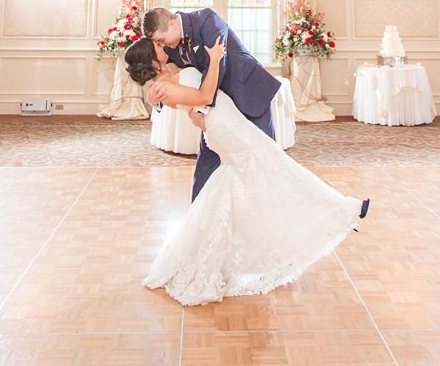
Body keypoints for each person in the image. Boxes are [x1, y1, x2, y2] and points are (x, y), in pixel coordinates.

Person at [124, 36, 368, 306]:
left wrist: (187, 109)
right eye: (157, 47)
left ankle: (224, 252)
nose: (163, 47)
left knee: (237, 180)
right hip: (225, 127)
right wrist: (215, 59)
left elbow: (193, 108)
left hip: (224, 123)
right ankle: (340, 210)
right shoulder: (162, 87)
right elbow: (204, 96)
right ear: (151, 59)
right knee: (276, 164)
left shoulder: (167, 75)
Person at [142, 6, 280, 200]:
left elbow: (216, 65)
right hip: (217, 109)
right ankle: (199, 217)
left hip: (248, 93)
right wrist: (154, 100)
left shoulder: (208, 20)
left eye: (160, 39)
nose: (161, 44)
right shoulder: (169, 45)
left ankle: (271, 207)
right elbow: (169, 75)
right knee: (207, 163)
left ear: (172, 25)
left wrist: (198, 109)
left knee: (265, 155)